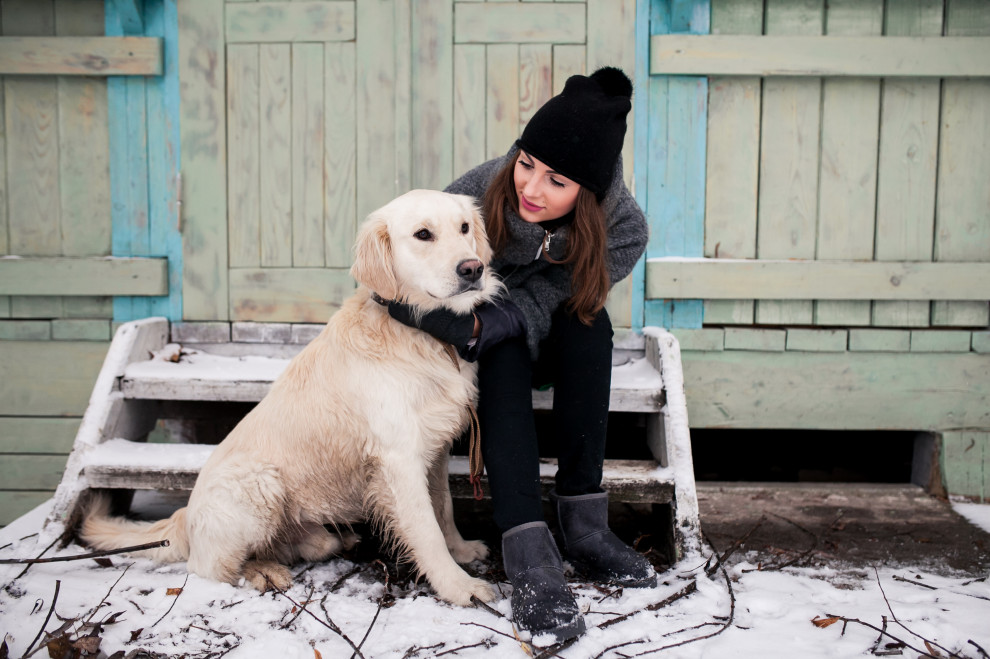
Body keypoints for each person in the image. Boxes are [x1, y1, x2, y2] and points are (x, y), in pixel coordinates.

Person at [385, 66, 653, 641]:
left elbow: (565, 292)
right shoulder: (481, 190)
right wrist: (455, 324)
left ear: (590, 191)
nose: (530, 188)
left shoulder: (623, 227)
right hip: (486, 353)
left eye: (556, 181)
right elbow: (399, 280)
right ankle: (527, 548)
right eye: (527, 163)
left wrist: (503, 314)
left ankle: (584, 524)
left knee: (590, 323)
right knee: (503, 350)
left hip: (554, 341)